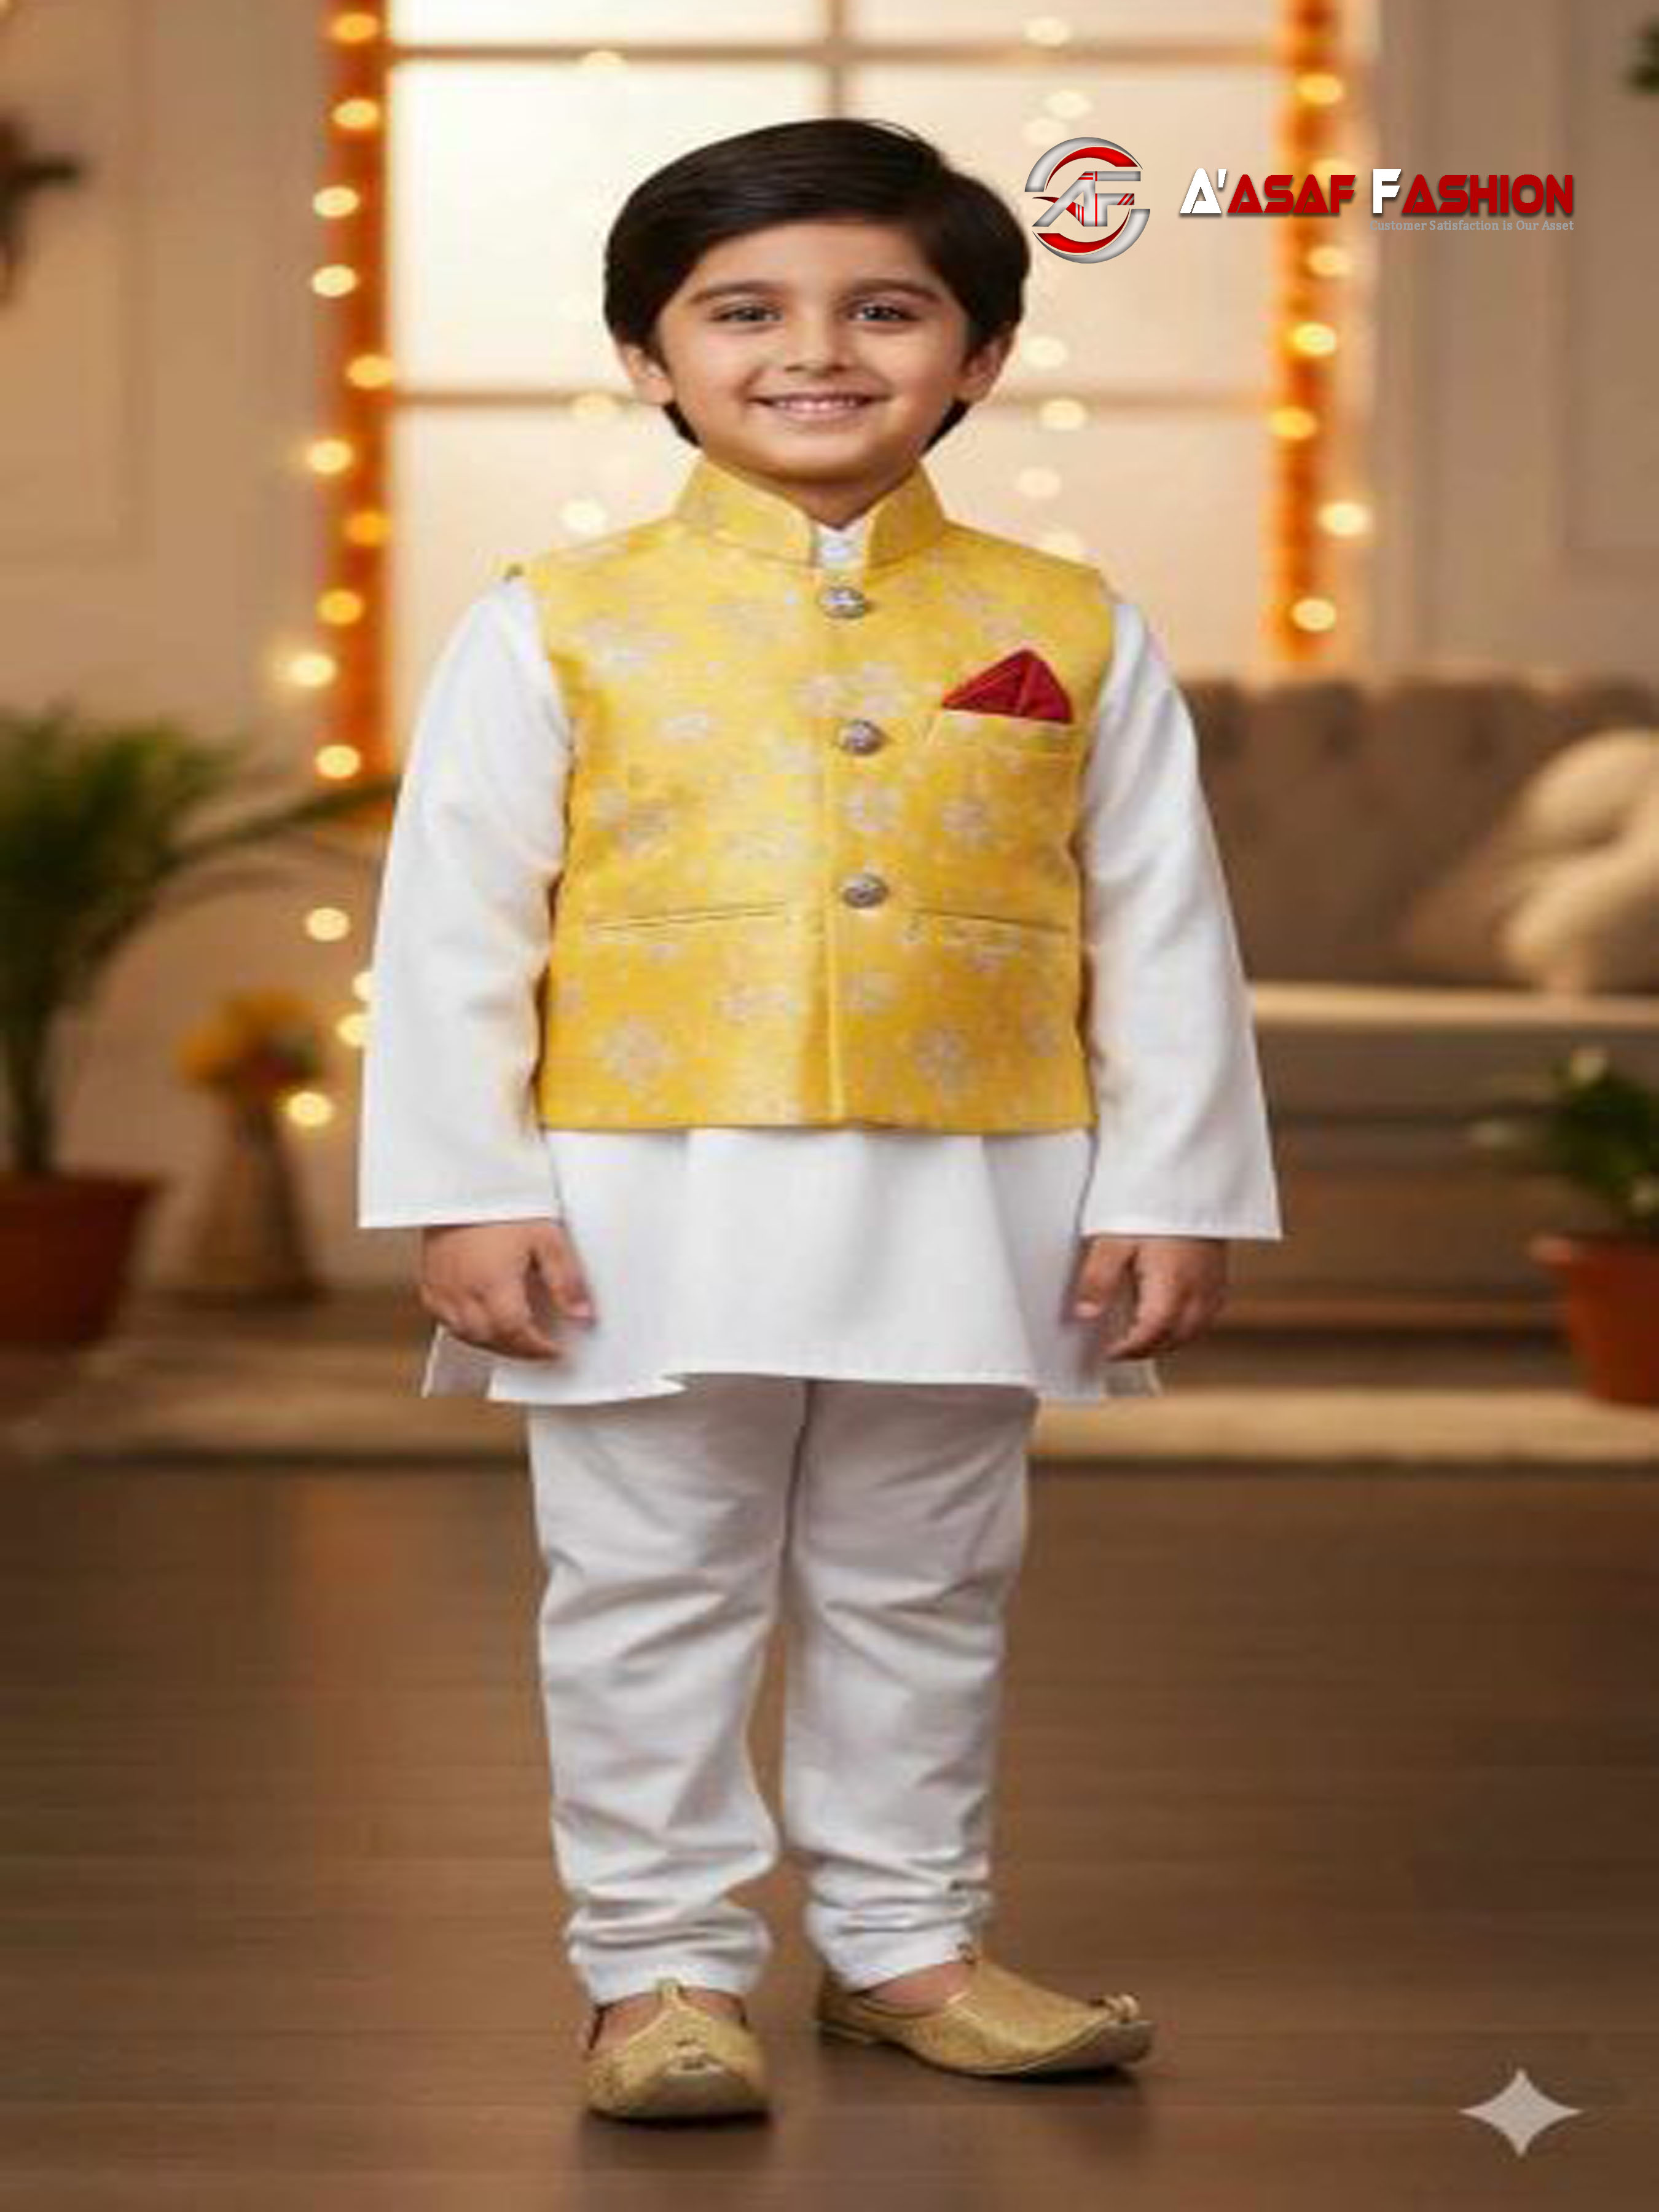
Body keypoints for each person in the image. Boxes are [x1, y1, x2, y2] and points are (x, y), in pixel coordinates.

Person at [357, 116, 1283, 2124]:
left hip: (976, 1180)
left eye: (883, 309)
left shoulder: (1071, 619)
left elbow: (1159, 922)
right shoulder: (553, 616)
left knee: (923, 1573)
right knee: (647, 1580)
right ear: (646, 356)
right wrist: (463, 1188)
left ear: (978, 355)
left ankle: (904, 1944)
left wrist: (1174, 1186)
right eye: (743, 312)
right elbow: (455, 923)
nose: (814, 352)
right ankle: (658, 1972)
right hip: (636, 1182)